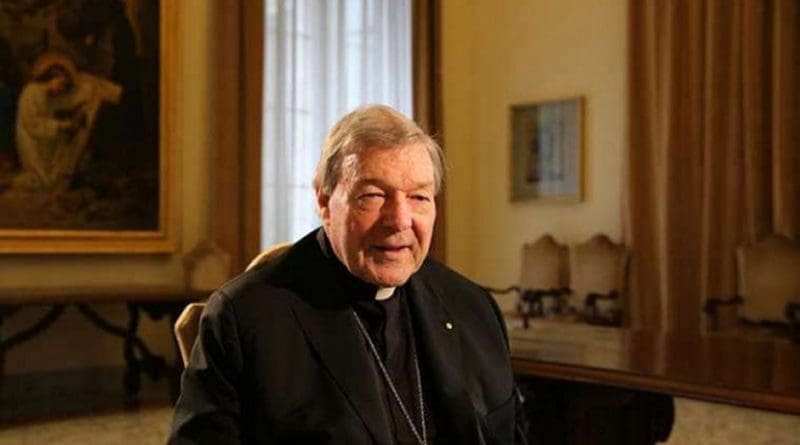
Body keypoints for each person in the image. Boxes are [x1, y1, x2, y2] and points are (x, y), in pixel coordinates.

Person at [170, 105, 526, 444]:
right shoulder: (246, 319)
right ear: (325, 201)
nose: (400, 220)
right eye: (372, 196)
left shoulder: (473, 307)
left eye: (419, 198)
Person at [13, 52, 121, 192]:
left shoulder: (49, 95)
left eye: (64, 85)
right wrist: (62, 126)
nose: (62, 88)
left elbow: (67, 102)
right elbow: (33, 125)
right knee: (46, 180)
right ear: (52, 76)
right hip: (33, 144)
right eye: (61, 82)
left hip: (44, 140)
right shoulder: (31, 92)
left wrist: (92, 90)